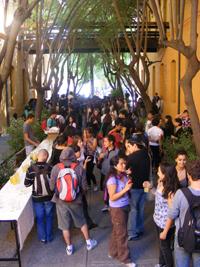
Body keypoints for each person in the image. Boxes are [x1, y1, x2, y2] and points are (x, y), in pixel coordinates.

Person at [50, 147, 97, 255]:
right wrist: (78, 194)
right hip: (76, 200)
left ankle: (69, 247)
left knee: (64, 226)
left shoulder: (56, 168)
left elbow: (52, 187)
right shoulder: (79, 168)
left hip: (61, 202)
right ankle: (89, 242)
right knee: (81, 222)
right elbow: (84, 187)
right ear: (73, 156)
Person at [160, 160, 200, 267]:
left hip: (183, 235)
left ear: (189, 175)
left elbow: (172, 215)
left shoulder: (181, 193)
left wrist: (164, 232)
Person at [144, 162, 180, 267]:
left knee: (165, 247)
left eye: (159, 171)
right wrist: (148, 188)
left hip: (165, 224)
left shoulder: (171, 192)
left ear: (165, 174)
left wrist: (165, 231)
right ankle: (161, 263)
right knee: (161, 245)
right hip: (157, 220)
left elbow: (172, 213)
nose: (157, 172)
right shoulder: (161, 182)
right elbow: (157, 195)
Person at [106, 156, 136, 267]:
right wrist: (125, 190)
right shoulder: (112, 179)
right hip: (117, 209)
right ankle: (125, 259)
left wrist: (128, 176)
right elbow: (112, 197)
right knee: (122, 234)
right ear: (115, 166)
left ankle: (113, 252)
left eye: (124, 163)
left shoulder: (122, 175)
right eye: (121, 164)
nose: (124, 165)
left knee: (117, 231)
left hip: (124, 206)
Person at [24, 149, 54, 243]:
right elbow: (53, 182)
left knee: (40, 218)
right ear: (46, 157)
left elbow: (27, 184)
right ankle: (49, 236)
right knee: (49, 216)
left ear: (38, 156)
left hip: (37, 198)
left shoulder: (31, 169)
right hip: (49, 197)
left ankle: (43, 237)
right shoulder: (50, 167)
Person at [126, 135, 150, 241]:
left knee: (133, 210)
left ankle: (132, 232)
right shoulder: (147, 154)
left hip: (135, 187)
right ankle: (140, 228)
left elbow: (125, 170)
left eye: (129, 146)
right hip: (145, 186)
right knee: (141, 208)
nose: (128, 149)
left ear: (135, 145)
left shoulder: (131, 157)